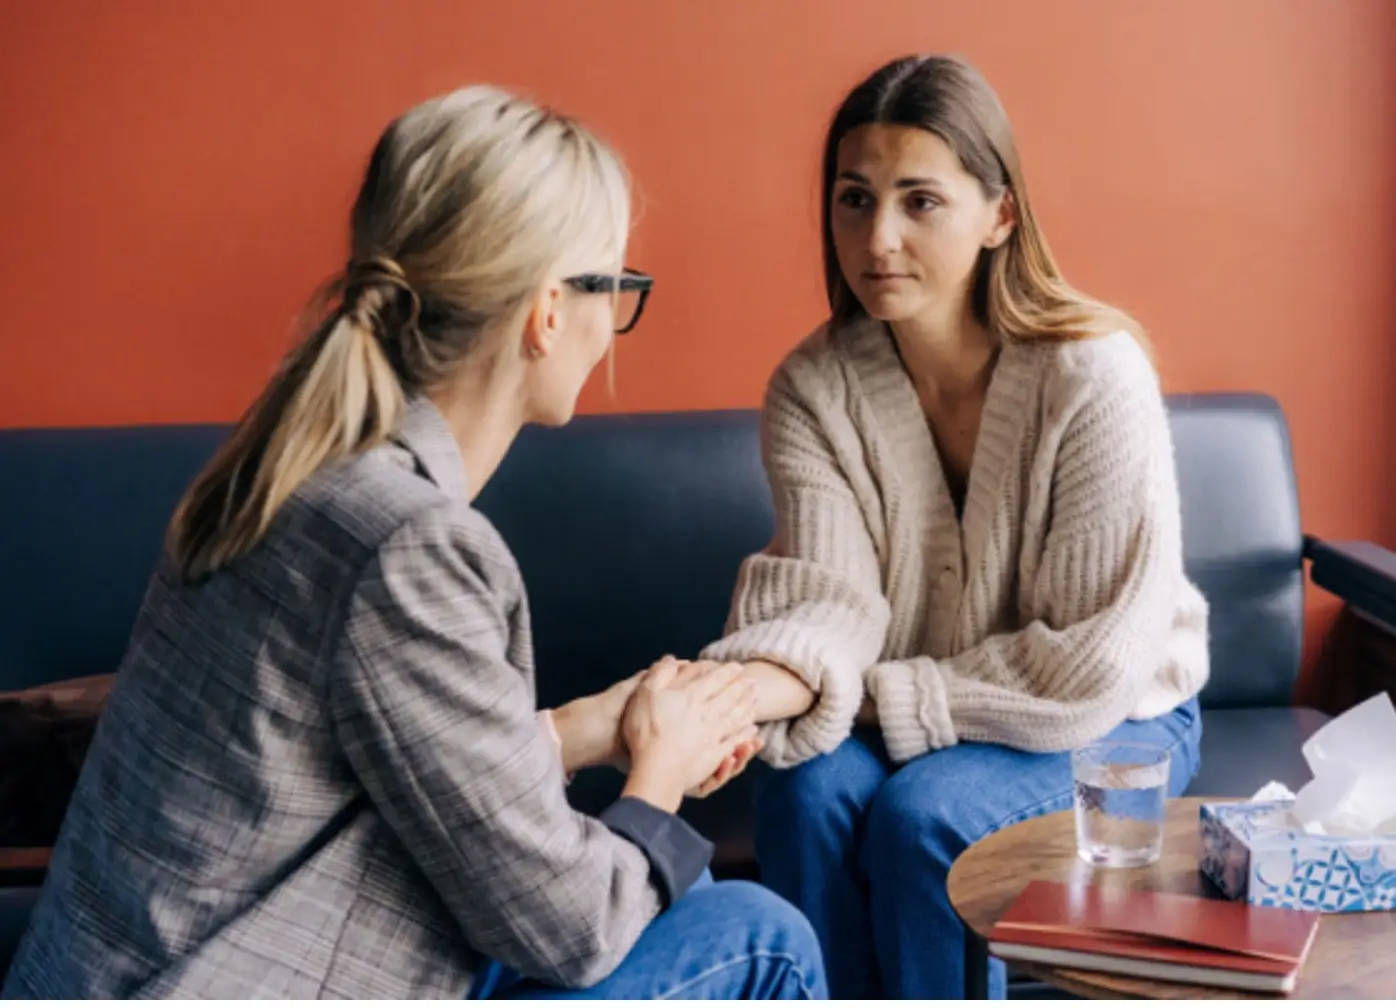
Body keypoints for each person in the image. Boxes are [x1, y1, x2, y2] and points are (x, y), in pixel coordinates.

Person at [2, 86, 825, 1001]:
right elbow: (573, 926)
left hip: (128, 969)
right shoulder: (411, 548)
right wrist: (662, 771)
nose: (615, 320)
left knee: (682, 891)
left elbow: (360, 771)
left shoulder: (282, 471)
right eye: (618, 286)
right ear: (548, 312)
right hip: (238, 974)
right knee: (761, 935)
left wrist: (581, 730)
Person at [698, 54, 1209, 999]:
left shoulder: (1093, 374)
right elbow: (828, 601)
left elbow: (1088, 668)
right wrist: (746, 692)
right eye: (854, 199)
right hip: (915, 707)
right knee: (805, 790)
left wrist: (870, 698)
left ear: (999, 215)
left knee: (925, 815)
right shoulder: (813, 388)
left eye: (919, 201)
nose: (878, 236)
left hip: (1111, 719)